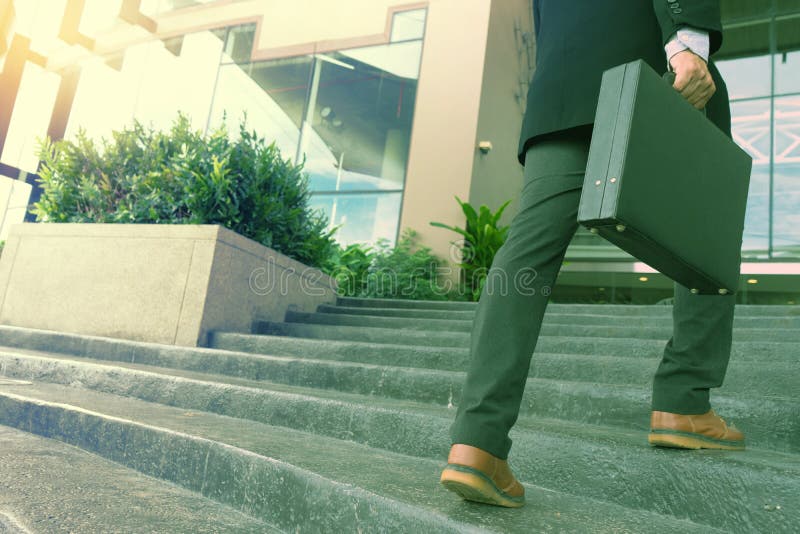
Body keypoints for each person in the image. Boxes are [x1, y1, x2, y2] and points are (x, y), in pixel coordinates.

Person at [439, 0, 745, 509]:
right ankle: (684, 401)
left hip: (564, 79)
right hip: (652, 65)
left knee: (526, 252)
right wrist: (687, 41)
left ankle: (477, 441)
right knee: (709, 226)